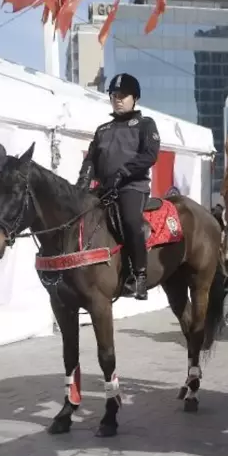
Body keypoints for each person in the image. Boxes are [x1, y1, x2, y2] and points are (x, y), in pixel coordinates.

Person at [76, 73, 160, 300]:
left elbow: (150, 155)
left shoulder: (145, 124)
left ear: (135, 98)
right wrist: (83, 181)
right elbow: (91, 159)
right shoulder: (102, 129)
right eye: (114, 95)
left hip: (132, 186)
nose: (118, 99)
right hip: (104, 188)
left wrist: (123, 173)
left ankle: (140, 276)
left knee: (131, 221)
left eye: (123, 95)